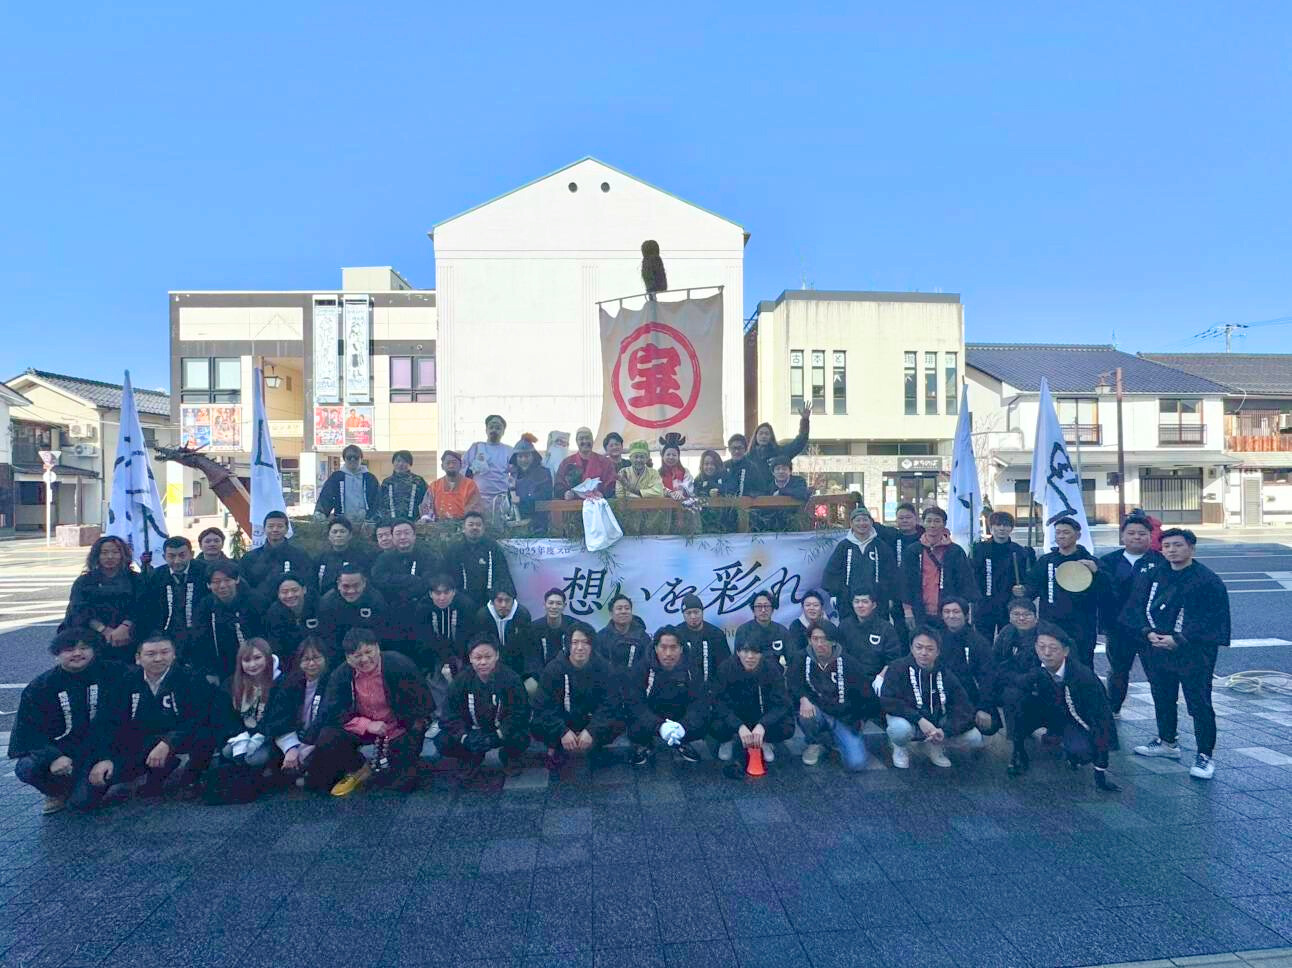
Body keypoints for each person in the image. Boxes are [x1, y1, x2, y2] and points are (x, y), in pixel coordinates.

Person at [1123, 528, 1230, 780]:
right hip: (1157, 646)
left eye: (1178, 545)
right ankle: (1167, 741)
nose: (1172, 550)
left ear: (1191, 548)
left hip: (1194, 651)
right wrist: (1147, 632)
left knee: (1199, 702)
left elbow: (1212, 618)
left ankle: (1204, 754)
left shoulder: (1207, 580)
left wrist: (1180, 639)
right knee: (1162, 695)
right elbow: (1136, 606)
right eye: (1167, 546)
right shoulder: (1155, 574)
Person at [306, 627, 432, 796]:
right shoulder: (340, 675)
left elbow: (422, 706)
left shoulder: (400, 665)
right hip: (363, 727)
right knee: (328, 737)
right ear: (348, 658)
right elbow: (332, 712)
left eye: (368, 652)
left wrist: (409, 732)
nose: (364, 659)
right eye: (357, 655)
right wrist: (366, 725)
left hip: (399, 728)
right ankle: (358, 766)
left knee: (402, 784)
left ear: (377, 648)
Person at [8, 629, 119, 813]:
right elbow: (28, 732)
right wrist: (53, 757)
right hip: (62, 751)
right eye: (69, 650)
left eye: (84, 648)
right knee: (26, 767)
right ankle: (56, 791)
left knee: (82, 803)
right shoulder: (40, 687)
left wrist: (107, 757)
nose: (77, 653)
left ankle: (100, 783)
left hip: (99, 750)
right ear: (57, 655)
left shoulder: (112, 675)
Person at [103, 635, 220, 799]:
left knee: (205, 735)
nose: (158, 658)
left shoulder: (191, 678)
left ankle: (191, 780)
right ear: (138, 658)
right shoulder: (126, 680)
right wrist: (106, 757)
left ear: (174, 655)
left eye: (165, 652)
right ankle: (157, 773)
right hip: (144, 737)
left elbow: (198, 718)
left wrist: (168, 742)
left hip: (181, 734)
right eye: (151, 654)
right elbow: (114, 720)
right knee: (102, 783)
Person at [1006, 623, 1119, 791]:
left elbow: (1102, 718)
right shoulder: (1029, 661)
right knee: (1013, 696)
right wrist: (1030, 678)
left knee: (1083, 752)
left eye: (1053, 648)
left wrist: (1100, 771)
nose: (1047, 653)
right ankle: (1018, 751)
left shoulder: (1083, 676)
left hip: (1070, 719)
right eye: (1042, 647)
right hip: (1040, 712)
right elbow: (1003, 675)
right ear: (1035, 647)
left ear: (1065, 651)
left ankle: (1061, 745)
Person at [437, 634, 531, 788]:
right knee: (442, 741)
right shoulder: (461, 681)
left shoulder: (511, 679)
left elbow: (520, 714)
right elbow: (449, 715)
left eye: (488, 657)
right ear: (470, 658)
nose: (483, 662)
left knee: (521, 736)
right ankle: (470, 758)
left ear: (497, 656)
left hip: (501, 731)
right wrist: (465, 737)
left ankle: (509, 757)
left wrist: (498, 734)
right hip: (472, 731)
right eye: (478, 657)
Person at [881, 628, 984, 769]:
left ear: (938, 652)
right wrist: (919, 720)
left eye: (930, 649)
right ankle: (899, 746)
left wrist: (945, 731)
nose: (924, 653)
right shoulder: (897, 668)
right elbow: (889, 701)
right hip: (909, 720)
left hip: (937, 723)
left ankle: (935, 744)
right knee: (900, 730)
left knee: (974, 737)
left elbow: (963, 707)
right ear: (911, 648)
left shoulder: (945, 673)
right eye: (919, 647)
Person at [1099, 512, 1167, 715]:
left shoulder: (1161, 561)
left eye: (1142, 533)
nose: (1136, 537)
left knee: (1157, 674)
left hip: (1152, 630)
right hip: (1118, 629)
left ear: (1150, 536)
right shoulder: (1108, 561)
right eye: (1131, 533)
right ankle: (1113, 710)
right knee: (1118, 671)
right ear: (1122, 536)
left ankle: (1164, 716)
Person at [532, 623, 622, 774]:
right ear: (568, 645)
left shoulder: (604, 668)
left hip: (590, 720)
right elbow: (542, 706)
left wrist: (592, 730)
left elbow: (611, 703)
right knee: (537, 724)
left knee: (618, 722)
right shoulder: (553, 669)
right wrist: (562, 731)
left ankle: (593, 746)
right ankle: (555, 747)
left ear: (592, 645)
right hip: (563, 721)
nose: (580, 648)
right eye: (575, 642)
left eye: (585, 642)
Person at [205, 638, 280, 801]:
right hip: (240, 736)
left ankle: (268, 772)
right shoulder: (231, 683)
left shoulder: (279, 682)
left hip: (268, 737)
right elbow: (222, 717)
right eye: (246, 660)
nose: (252, 665)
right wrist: (240, 736)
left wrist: (258, 737)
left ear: (267, 657)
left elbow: (279, 717)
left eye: (257, 658)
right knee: (229, 751)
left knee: (254, 758)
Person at [793, 622, 875, 771]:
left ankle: (833, 740)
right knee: (806, 715)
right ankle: (815, 742)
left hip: (844, 717)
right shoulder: (800, 658)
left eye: (824, 639)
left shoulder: (849, 663)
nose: (819, 644)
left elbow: (866, 695)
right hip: (817, 711)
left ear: (833, 641)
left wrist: (860, 720)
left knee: (856, 764)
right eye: (815, 639)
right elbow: (793, 683)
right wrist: (803, 698)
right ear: (809, 640)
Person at [708, 634, 794, 776]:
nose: (750, 656)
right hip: (735, 717)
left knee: (787, 727)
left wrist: (763, 725)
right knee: (714, 725)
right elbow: (718, 702)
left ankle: (764, 741)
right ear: (738, 652)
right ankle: (728, 741)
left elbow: (782, 704)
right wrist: (738, 726)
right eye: (745, 651)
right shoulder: (726, 668)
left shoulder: (771, 670)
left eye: (755, 652)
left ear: (761, 654)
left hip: (761, 716)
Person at [1025, 517, 1102, 669]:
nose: (1061, 536)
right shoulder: (1046, 561)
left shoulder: (1090, 561)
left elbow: (1105, 592)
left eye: (1066, 532)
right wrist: (1023, 592)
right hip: (1051, 623)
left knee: (1082, 666)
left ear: (1078, 535)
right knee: (1050, 665)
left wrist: (1098, 573)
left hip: (1082, 624)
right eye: (1058, 532)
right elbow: (1032, 587)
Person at [626, 628, 711, 766]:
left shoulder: (692, 669)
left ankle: (682, 743)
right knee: (634, 725)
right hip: (652, 716)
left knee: (702, 722)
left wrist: (684, 726)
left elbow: (699, 703)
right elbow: (636, 704)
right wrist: (659, 726)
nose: (668, 653)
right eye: (663, 647)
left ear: (681, 649)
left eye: (673, 648)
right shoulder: (642, 668)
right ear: (655, 648)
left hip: (680, 718)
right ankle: (646, 744)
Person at [264, 638, 331, 788]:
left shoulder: (332, 682)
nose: (312, 663)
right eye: (306, 659)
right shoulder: (289, 684)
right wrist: (291, 748)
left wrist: (308, 745)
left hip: (317, 738)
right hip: (293, 737)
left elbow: (330, 717)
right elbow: (278, 719)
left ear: (325, 658)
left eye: (316, 658)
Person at [63, 535, 143, 660]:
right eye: (104, 553)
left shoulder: (136, 579)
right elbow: (78, 610)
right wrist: (104, 630)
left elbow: (142, 606)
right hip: (92, 637)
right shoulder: (84, 581)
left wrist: (125, 627)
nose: (110, 557)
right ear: (97, 555)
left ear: (123, 555)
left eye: (115, 552)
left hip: (130, 635)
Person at [371, 518, 440, 659]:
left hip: (421, 610)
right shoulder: (384, 559)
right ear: (392, 537)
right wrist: (410, 579)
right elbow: (379, 580)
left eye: (407, 533)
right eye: (398, 534)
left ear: (414, 536)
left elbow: (428, 582)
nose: (403, 537)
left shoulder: (428, 556)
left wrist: (398, 584)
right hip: (393, 612)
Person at [901, 506, 977, 630]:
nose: (932, 525)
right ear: (923, 523)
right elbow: (905, 582)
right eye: (929, 521)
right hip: (920, 611)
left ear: (944, 524)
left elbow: (966, 582)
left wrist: (963, 612)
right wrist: (907, 611)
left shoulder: (955, 551)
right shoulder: (913, 550)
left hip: (948, 613)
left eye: (937, 521)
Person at [190, 561, 265, 683]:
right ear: (208, 585)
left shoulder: (256, 601)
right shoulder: (205, 606)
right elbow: (200, 641)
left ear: (237, 580)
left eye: (227, 580)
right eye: (216, 582)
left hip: (255, 664)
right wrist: (209, 671)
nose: (222, 586)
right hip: (222, 669)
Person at [937, 597, 999, 737]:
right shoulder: (936, 638)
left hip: (969, 695)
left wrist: (984, 707)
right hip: (940, 693)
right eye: (946, 612)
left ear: (966, 615)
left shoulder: (978, 642)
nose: (951, 616)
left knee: (989, 726)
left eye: (956, 611)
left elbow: (988, 677)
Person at [415, 574, 476, 712]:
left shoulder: (466, 606)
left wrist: (456, 662)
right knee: (436, 679)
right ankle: (441, 715)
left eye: (446, 592)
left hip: (461, 654)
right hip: (434, 656)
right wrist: (442, 661)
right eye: (437, 593)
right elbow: (424, 640)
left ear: (454, 592)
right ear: (430, 594)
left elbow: (468, 637)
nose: (442, 598)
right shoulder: (422, 609)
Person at [970, 511, 1035, 640]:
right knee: (982, 641)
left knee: (1008, 640)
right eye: (998, 525)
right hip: (984, 604)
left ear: (1011, 528)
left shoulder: (1019, 551)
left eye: (1006, 525)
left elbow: (1027, 579)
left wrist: (1023, 589)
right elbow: (971, 576)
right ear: (991, 527)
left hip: (1009, 604)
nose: (1002, 528)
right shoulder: (979, 549)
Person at [985, 598, 1042, 744]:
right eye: (1016, 614)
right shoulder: (1006, 632)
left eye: (1027, 614)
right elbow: (995, 661)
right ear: (1009, 617)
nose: (1021, 618)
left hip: (1038, 684)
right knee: (1009, 694)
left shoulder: (1043, 634)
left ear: (1035, 617)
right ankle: (1016, 741)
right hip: (1012, 681)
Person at [822, 507, 899, 615]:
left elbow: (891, 573)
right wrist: (834, 594)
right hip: (848, 602)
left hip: (877, 602)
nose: (862, 523)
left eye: (865, 520)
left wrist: (890, 596)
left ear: (871, 522)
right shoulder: (844, 546)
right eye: (858, 520)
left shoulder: (881, 546)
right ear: (851, 523)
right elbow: (832, 571)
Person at [144, 536, 206, 656]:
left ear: (191, 554)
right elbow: (149, 609)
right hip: (166, 634)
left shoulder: (204, 572)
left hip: (200, 633)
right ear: (164, 557)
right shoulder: (155, 576)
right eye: (171, 556)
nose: (177, 561)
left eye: (182, 555)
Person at [317, 566, 387, 662]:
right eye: (346, 586)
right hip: (339, 655)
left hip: (370, 655)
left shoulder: (375, 600)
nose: (351, 591)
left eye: (356, 585)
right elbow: (327, 639)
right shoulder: (327, 603)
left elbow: (381, 634)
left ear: (364, 583)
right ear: (338, 585)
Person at [445, 511, 516, 602]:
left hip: (490, 599)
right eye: (471, 524)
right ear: (464, 528)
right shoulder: (454, 550)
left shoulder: (493, 547)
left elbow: (502, 574)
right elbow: (448, 578)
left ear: (483, 528)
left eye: (478, 525)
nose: (475, 527)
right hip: (461, 599)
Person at [476, 588, 539, 690]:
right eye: (499, 600)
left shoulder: (522, 614)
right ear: (492, 601)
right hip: (492, 667)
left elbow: (529, 649)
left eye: (507, 600)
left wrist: (529, 674)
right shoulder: (482, 616)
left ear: (513, 600)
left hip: (518, 668)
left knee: (532, 687)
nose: (503, 605)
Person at [240, 511, 314, 594]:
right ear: (264, 529)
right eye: (270, 526)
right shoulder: (249, 558)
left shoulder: (300, 556)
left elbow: (309, 584)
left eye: (280, 526)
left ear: (287, 529)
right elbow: (244, 587)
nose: (275, 529)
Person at [838, 590, 903, 679]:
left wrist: (881, 677)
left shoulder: (886, 628)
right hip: (851, 677)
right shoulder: (844, 626)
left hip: (878, 677)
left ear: (873, 605)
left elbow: (893, 660)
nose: (860, 605)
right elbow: (840, 655)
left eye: (865, 602)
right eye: (856, 602)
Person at [748, 404, 811, 494]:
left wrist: (804, 421)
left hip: (778, 495)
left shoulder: (780, 452)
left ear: (771, 436)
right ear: (756, 436)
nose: (763, 436)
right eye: (761, 433)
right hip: (756, 497)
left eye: (766, 434)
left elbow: (799, 443)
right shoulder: (749, 457)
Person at [672, 594, 731, 688]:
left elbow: (725, 666)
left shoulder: (716, 634)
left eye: (696, 612)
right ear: (683, 614)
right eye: (688, 613)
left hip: (712, 689)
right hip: (682, 689)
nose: (693, 616)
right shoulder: (676, 634)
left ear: (702, 612)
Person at [733, 591, 795, 679]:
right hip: (750, 679)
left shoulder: (782, 631)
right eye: (759, 606)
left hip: (776, 679)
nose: (763, 610)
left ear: (772, 609)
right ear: (753, 610)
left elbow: (792, 660)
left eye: (766, 606)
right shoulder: (743, 630)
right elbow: (737, 660)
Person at [263, 574, 321, 665]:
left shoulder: (317, 606)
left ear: (304, 590)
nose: (290, 595)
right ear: (278, 594)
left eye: (295, 590)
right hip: (290, 661)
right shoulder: (273, 614)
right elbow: (276, 647)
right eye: (284, 592)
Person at [313, 445, 380, 521]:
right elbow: (326, 496)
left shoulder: (370, 478)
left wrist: (373, 517)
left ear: (361, 459)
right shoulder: (336, 477)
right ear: (344, 459)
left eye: (356, 457)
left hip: (367, 522)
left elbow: (377, 500)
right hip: (342, 522)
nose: (352, 459)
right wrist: (320, 512)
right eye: (349, 457)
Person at [464, 414, 515, 513]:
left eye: (498, 428)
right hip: (477, 499)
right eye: (491, 427)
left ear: (503, 432)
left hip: (501, 499)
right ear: (486, 430)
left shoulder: (508, 450)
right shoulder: (476, 448)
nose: (494, 430)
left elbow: (515, 474)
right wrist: (475, 465)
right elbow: (463, 471)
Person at [314, 516, 373, 597]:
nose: (338, 535)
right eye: (334, 532)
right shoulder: (320, 559)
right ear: (329, 536)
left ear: (350, 535)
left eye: (342, 531)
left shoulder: (361, 558)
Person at [595, 593, 651, 679]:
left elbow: (647, 664)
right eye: (619, 608)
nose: (623, 611)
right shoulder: (601, 637)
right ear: (611, 613)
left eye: (627, 608)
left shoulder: (642, 637)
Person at [420, 450, 482, 522]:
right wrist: (427, 519)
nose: (451, 465)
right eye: (448, 463)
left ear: (461, 465)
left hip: (463, 525)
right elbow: (427, 508)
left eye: (454, 463)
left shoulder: (470, 485)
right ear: (442, 466)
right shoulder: (435, 486)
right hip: (438, 525)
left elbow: (474, 507)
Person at [557, 427, 619, 499]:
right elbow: (558, 485)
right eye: (581, 439)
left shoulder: (605, 462)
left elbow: (612, 484)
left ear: (592, 440)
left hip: (598, 502)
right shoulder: (566, 462)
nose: (585, 441)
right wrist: (565, 493)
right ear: (576, 441)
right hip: (573, 504)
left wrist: (603, 494)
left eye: (588, 438)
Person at [508, 438, 554, 525]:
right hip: (519, 524)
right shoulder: (513, 476)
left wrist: (521, 500)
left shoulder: (543, 474)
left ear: (533, 456)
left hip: (539, 524)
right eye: (520, 457)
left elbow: (544, 499)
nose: (523, 460)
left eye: (527, 456)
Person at [533, 588, 578, 670]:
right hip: (542, 672)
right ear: (544, 605)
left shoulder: (574, 626)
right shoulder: (534, 628)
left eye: (558, 603)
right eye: (551, 603)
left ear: (564, 606)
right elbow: (532, 658)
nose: (554, 607)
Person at [378, 450, 429, 523]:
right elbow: (380, 503)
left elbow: (426, 501)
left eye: (405, 461)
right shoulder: (387, 482)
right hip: (390, 522)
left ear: (410, 464)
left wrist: (424, 518)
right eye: (398, 461)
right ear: (393, 462)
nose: (401, 464)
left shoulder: (418, 481)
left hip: (414, 522)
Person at [786, 590, 837, 659]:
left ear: (821, 608)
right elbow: (795, 652)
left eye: (816, 605)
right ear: (802, 607)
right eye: (808, 605)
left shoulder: (830, 626)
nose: (812, 608)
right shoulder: (795, 626)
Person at [722, 433, 768, 498]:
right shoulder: (723, 466)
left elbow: (761, 490)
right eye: (734, 448)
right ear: (729, 449)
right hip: (726, 503)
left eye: (740, 448)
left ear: (745, 449)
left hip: (747, 503)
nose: (737, 451)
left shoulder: (752, 468)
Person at [658, 434, 694, 499]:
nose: (671, 457)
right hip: (663, 503)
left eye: (674, 455)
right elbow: (658, 487)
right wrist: (670, 493)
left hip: (681, 502)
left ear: (678, 457)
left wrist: (681, 491)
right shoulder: (658, 473)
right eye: (668, 454)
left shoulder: (685, 471)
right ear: (663, 456)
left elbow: (688, 483)